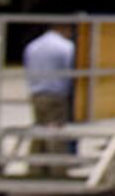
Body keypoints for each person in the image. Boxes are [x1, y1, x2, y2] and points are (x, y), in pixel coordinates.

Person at [23, 23, 77, 178]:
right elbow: (71, 71)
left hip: (36, 93)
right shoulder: (66, 47)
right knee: (56, 133)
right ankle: (58, 171)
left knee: (39, 131)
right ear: (63, 29)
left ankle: (35, 169)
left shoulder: (33, 46)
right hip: (56, 94)